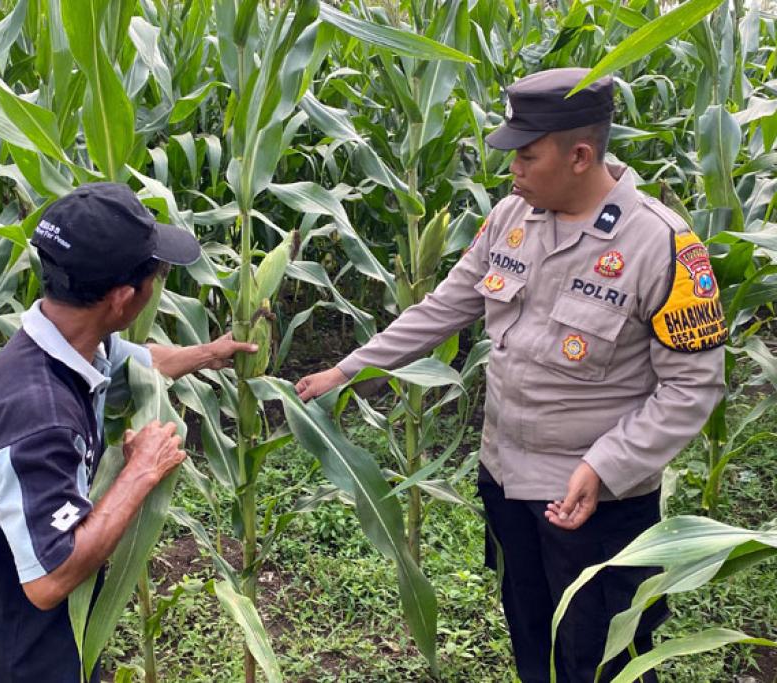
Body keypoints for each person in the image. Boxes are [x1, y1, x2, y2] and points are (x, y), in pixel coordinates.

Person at [295, 68, 726, 682]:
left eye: (526, 156)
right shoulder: (510, 218)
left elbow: (693, 388)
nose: (512, 171)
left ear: (580, 155)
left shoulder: (661, 244)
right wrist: (348, 369)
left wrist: (603, 465)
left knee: (603, 656)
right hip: (506, 481)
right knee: (531, 634)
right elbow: (445, 307)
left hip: (597, 504)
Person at [0, 182, 257, 683]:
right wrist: (139, 473)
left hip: (13, 627)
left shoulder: (61, 342)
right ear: (124, 298)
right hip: (19, 661)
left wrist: (209, 354)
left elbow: (140, 360)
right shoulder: (39, 417)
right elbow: (49, 578)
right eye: (155, 274)